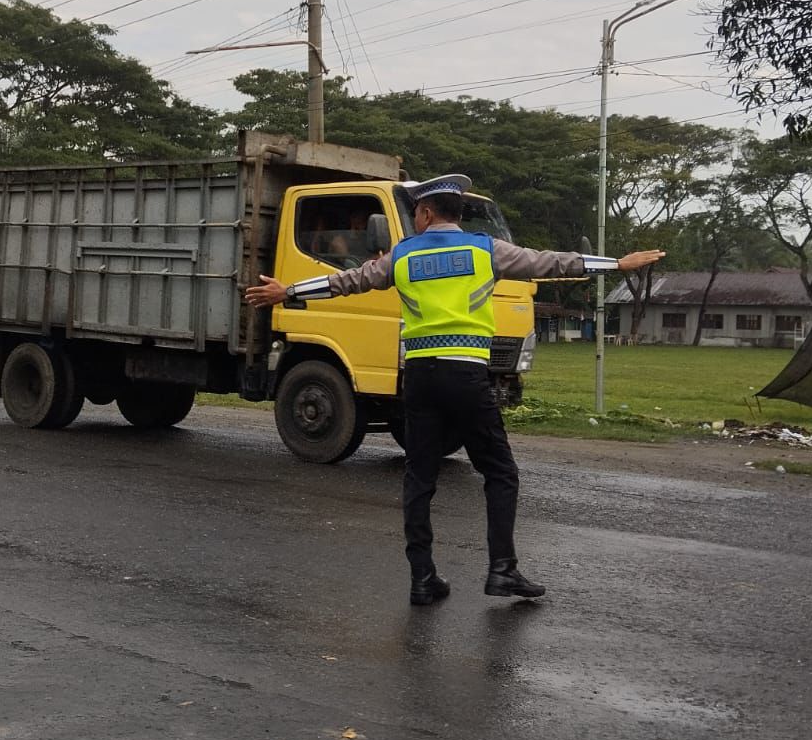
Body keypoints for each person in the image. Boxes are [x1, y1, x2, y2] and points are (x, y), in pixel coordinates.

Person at [246, 174, 665, 606]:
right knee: (499, 472)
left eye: (416, 212)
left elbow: (348, 281)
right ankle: (502, 569)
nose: (416, 219)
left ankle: (422, 578)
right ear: (454, 213)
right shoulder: (485, 250)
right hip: (466, 375)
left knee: (419, 477)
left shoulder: (402, 254)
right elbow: (551, 263)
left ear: (427, 213)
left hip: (418, 377)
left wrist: (287, 290)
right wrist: (616, 264)